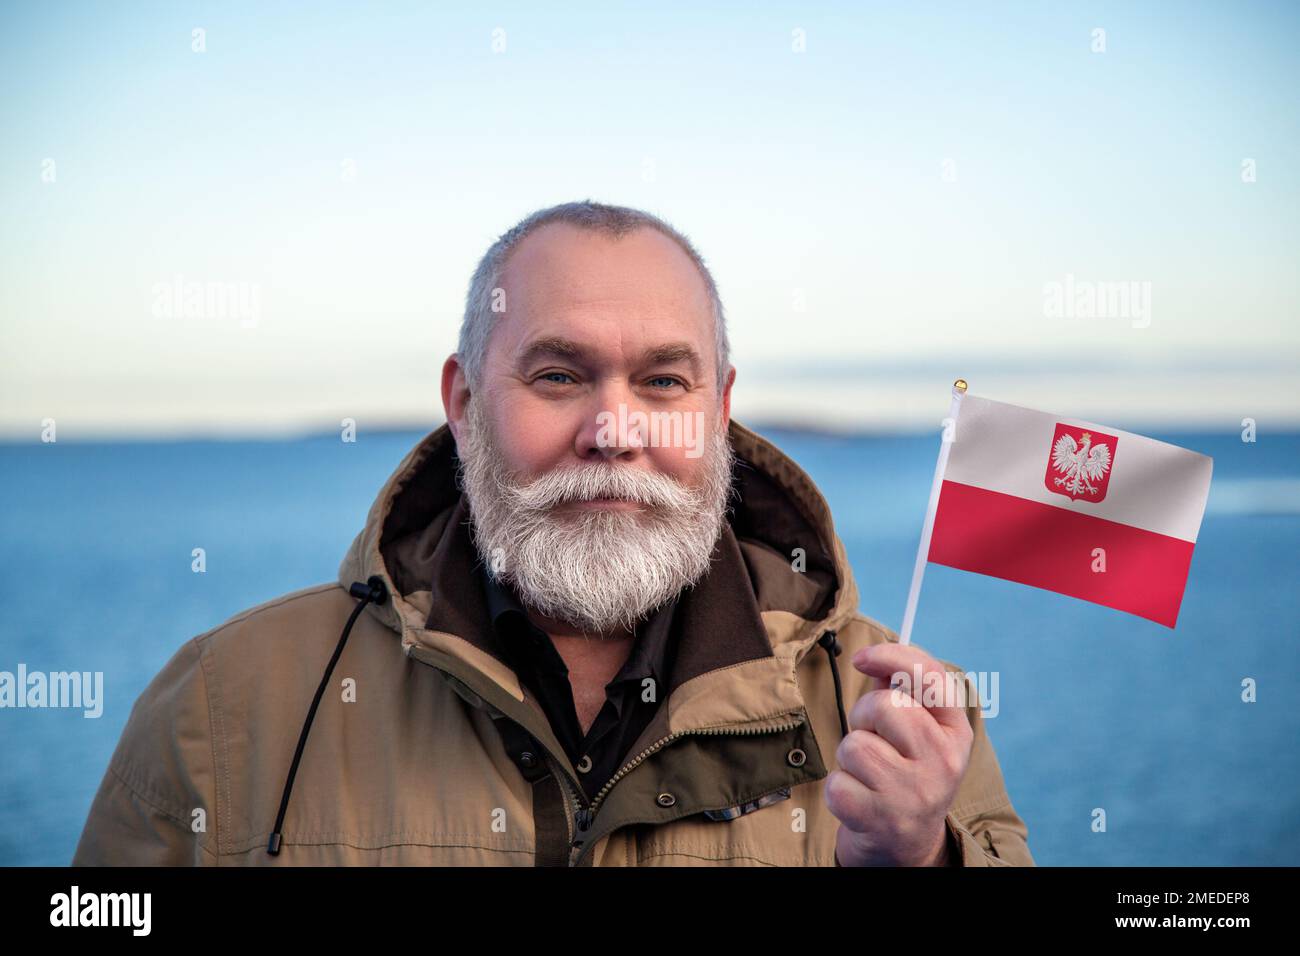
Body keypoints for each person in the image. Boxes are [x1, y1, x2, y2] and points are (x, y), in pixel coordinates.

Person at [72, 200, 1033, 866]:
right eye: (560, 377)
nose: (613, 431)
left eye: (663, 382)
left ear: (719, 407)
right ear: (464, 402)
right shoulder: (228, 703)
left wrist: (921, 861)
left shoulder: (901, 719)